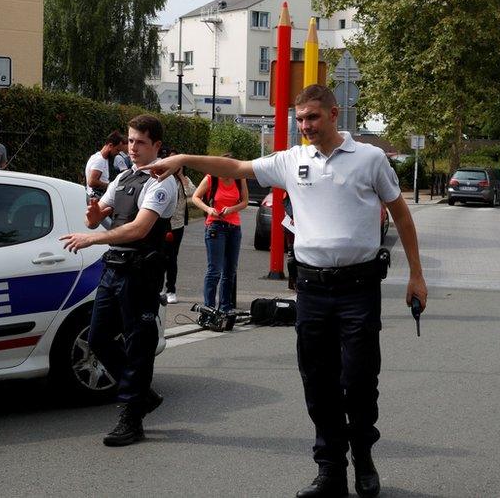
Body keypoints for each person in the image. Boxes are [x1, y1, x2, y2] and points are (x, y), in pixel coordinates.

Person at [146, 85, 427, 498]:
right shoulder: (291, 160)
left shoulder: (369, 158)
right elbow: (237, 166)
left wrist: (416, 275)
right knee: (318, 380)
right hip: (312, 289)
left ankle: (363, 457)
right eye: (299, 119)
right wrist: (184, 159)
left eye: (312, 117)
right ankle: (330, 470)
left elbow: (401, 215)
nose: (305, 126)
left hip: (357, 287)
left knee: (360, 378)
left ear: (334, 113)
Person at [60, 114, 176, 447]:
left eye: (141, 142)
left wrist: (90, 238)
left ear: (156, 145)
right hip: (114, 268)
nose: (133, 147)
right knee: (97, 338)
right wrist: (94, 215)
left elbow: (139, 229)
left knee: (139, 346)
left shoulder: (161, 180)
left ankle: (131, 417)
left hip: (141, 272)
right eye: (130, 141)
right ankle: (143, 394)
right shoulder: (124, 176)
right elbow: (100, 216)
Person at [192, 154, 248, 313]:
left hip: (234, 227)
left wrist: (232, 209)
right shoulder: (211, 178)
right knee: (214, 270)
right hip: (215, 226)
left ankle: (225, 307)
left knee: (230, 270)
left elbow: (244, 201)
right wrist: (209, 209)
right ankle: (209, 307)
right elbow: (196, 197)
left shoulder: (239, 178)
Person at [162, 148, 195, 304]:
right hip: (161, 223)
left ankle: (171, 289)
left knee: (172, 258)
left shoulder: (184, 179)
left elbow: (192, 194)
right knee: (159, 256)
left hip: (177, 224)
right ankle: (156, 287)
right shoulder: (161, 177)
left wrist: (181, 176)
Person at [85, 131, 125, 198]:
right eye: (117, 150)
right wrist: (110, 186)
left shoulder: (103, 159)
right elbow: (91, 182)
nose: (118, 153)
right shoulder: (99, 160)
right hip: (96, 197)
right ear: (110, 146)